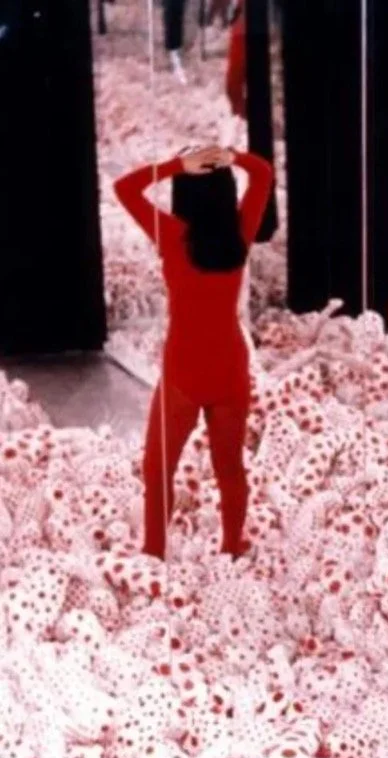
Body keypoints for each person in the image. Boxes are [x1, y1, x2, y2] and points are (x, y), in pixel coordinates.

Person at [114, 146, 273, 561]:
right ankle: (233, 548)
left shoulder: (171, 235)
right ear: (226, 191)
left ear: (182, 193)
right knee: (229, 468)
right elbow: (263, 173)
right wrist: (231, 155)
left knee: (157, 469)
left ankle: (154, 554)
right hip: (230, 368)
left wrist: (176, 166)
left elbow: (125, 188)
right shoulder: (240, 233)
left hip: (184, 371)